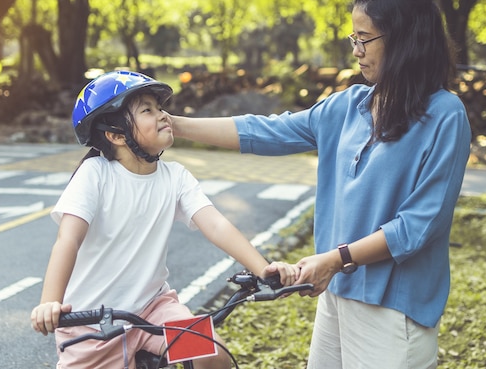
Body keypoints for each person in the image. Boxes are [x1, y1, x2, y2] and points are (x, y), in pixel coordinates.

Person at [169, 0, 472, 369]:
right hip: (337, 296)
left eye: (364, 38)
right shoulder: (348, 106)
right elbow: (266, 131)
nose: (357, 50)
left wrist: (334, 259)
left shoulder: (445, 116)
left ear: (404, 39)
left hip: (393, 312)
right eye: (353, 39)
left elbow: (416, 226)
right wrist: (174, 125)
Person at [30, 70, 299, 369]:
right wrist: (49, 302)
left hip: (154, 310)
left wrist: (263, 269)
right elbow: (68, 239)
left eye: (160, 108)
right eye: (147, 110)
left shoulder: (175, 177)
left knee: (211, 352)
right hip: (91, 325)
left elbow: (216, 224)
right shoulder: (95, 174)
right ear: (116, 135)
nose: (162, 115)